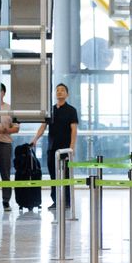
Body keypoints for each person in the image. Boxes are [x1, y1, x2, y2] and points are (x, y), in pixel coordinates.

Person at [31, 82, 77, 211]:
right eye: (57, 90)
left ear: (67, 94)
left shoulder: (71, 110)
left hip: (65, 148)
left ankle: (67, 201)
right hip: (52, 148)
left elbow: (74, 130)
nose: (59, 92)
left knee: (66, 175)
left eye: (62, 90)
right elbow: (42, 126)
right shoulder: (50, 110)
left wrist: (72, 147)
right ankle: (56, 200)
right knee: (53, 176)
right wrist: (35, 139)